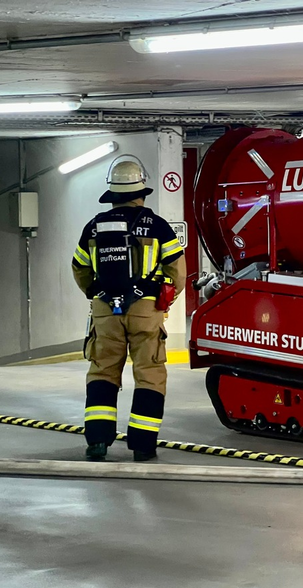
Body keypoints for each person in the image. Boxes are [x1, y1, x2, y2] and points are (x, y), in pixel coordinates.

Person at [72, 155, 186, 462]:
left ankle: (97, 442)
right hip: (146, 308)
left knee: (102, 371)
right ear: (141, 190)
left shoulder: (94, 227)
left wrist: (96, 295)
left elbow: (80, 268)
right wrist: (162, 302)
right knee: (149, 373)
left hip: (105, 309)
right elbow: (178, 273)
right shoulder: (158, 226)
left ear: (112, 193)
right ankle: (143, 445)